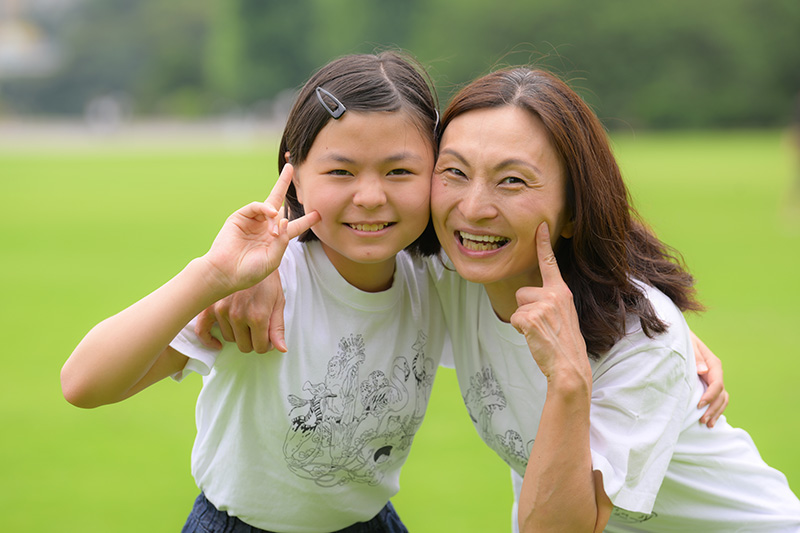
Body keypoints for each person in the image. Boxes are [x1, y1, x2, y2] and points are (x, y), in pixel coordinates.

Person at [61, 52, 449, 533]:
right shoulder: (261, 286)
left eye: (399, 172)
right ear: (295, 177)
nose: (370, 196)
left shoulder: (436, 282)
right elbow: (83, 383)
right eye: (341, 172)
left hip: (369, 523)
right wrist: (212, 277)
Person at [427, 67, 800, 531]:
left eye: (513, 181)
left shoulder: (638, 341)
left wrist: (570, 379)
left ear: (573, 211)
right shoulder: (447, 275)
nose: (473, 207)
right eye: (455, 172)